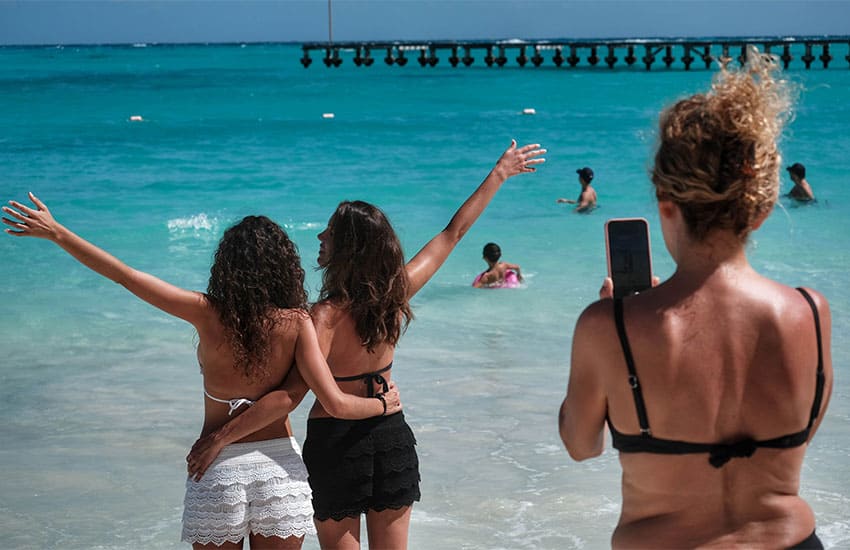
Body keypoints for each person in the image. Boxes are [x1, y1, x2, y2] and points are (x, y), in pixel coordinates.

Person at [186, 139, 546, 549]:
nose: (320, 236)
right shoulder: (395, 296)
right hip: (390, 435)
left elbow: (288, 396)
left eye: (331, 233)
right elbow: (453, 233)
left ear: (349, 250)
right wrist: (499, 174)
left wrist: (221, 436)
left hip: (336, 445)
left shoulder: (319, 320)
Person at [1, 194, 401, 550]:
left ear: (228, 265)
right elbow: (305, 397)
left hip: (219, 467)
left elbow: (125, 276)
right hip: (279, 470)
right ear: (285, 268)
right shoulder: (298, 322)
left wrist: (59, 234)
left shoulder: (206, 313)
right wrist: (382, 405)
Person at [558, 50, 832, 548]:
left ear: (666, 207)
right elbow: (796, 437)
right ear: (764, 207)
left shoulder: (609, 325)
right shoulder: (810, 312)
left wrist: (619, 320)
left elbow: (581, 446)